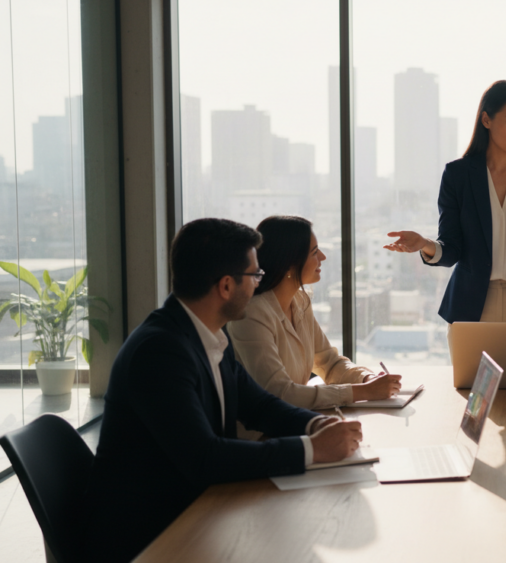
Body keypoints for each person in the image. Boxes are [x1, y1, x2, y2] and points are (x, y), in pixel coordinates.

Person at [83, 219, 363, 563]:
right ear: (227, 286)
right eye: (255, 276)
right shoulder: (159, 352)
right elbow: (205, 458)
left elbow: (258, 404)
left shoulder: (209, 332)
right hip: (151, 534)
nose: (260, 284)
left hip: (196, 506)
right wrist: (311, 450)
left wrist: (314, 426)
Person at [383, 80, 506, 328]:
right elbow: (452, 247)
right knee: (472, 370)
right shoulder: (457, 175)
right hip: (472, 308)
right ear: (486, 120)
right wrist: (425, 245)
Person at [228, 215, 401, 416]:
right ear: (290, 262)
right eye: (314, 252)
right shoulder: (252, 314)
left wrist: (366, 379)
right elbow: (279, 393)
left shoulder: (300, 301)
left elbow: (329, 362)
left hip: (296, 422)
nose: (323, 257)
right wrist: (363, 392)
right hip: (260, 437)